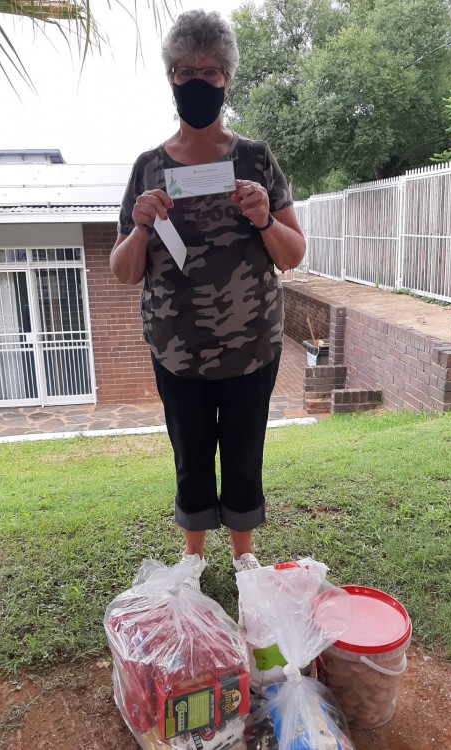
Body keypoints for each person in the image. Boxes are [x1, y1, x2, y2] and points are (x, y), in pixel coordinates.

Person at [110, 9, 305, 591]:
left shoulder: (256, 159)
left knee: (244, 454)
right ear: (171, 77)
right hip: (178, 351)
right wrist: (140, 226)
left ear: (227, 78)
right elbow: (123, 271)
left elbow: (293, 254)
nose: (199, 81)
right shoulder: (149, 168)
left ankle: (245, 559)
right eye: (187, 71)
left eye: (211, 71)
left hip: (252, 346)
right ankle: (193, 559)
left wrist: (265, 218)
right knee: (191, 455)